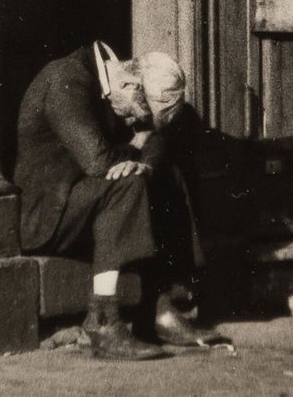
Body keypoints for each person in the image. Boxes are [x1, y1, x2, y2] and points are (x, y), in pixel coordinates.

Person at [13, 40, 217, 360]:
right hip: (49, 215)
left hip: (89, 201)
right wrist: (135, 152)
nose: (138, 123)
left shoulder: (117, 85)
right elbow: (97, 161)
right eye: (142, 113)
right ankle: (101, 320)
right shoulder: (66, 79)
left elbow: (154, 138)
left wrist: (143, 157)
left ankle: (161, 309)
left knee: (162, 172)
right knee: (127, 182)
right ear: (129, 85)